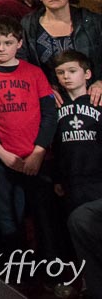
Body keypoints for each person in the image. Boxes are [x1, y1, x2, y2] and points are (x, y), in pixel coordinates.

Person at [0, 16, 58, 250]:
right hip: (2, 158)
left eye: (8, 43)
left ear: (19, 43)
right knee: (8, 216)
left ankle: (52, 272)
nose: (2, 48)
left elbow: (50, 115)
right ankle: (18, 274)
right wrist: (2, 154)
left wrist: (38, 152)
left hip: (36, 157)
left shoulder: (34, 73)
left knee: (44, 216)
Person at [19, 0, 102, 89]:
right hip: (49, 96)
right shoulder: (29, 25)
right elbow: (22, 62)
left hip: (92, 95)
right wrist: (42, 88)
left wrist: (100, 82)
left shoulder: (93, 21)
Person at [53, 50, 102, 209]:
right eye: (61, 72)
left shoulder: (98, 102)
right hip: (71, 178)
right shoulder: (56, 106)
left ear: (87, 74)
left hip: (97, 177)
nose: (66, 76)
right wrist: (57, 178)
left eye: (72, 71)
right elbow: (56, 146)